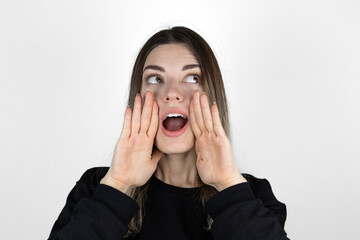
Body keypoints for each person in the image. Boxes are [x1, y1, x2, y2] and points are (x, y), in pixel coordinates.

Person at [48, 26, 289, 240]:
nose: (172, 92)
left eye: (192, 77)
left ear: (211, 93)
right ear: (138, 95)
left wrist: (228, 185)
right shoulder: (96, 188)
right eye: (155, 78)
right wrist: (118, 185)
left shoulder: (252, 195)